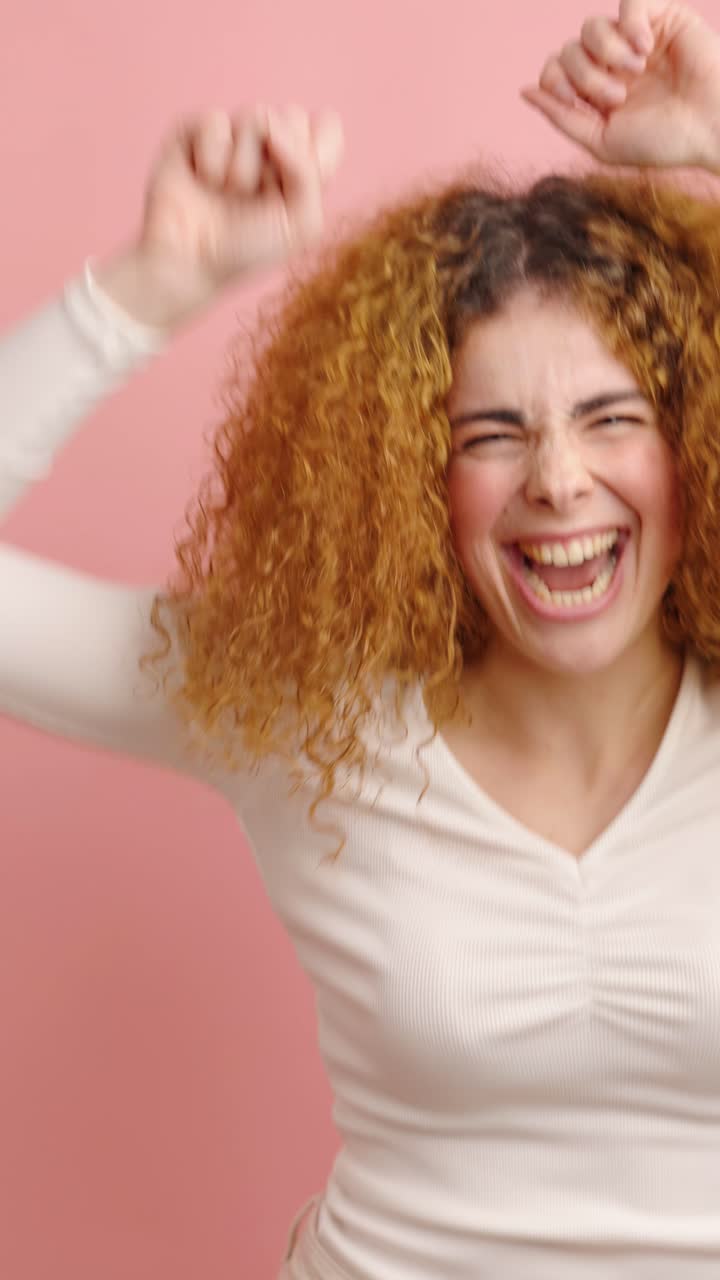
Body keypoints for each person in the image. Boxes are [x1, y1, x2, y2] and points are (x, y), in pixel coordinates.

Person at [2, 0, 720, 1275]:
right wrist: (148, 287)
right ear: (407, 477)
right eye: (490, 434)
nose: (558, 480)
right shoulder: (301, 707)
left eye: (612, 419)